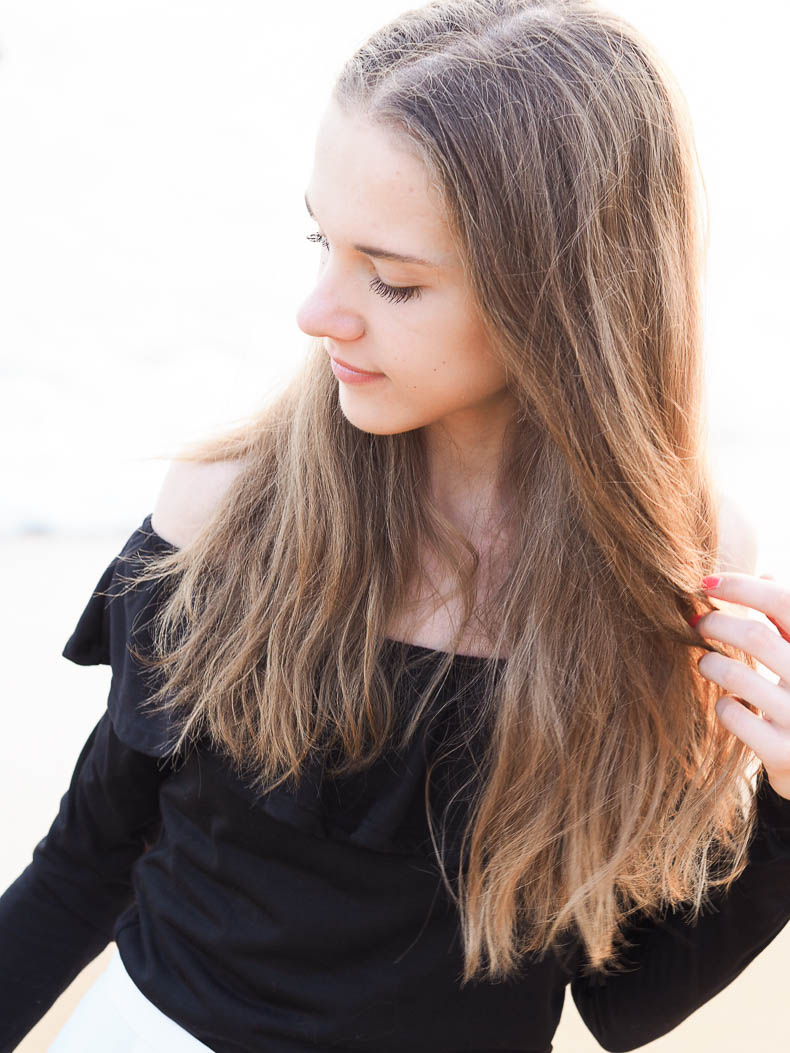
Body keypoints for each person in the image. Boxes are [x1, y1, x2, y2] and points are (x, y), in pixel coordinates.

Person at [3, 0, 790, 1050]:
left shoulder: (683, 569)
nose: (317, 310)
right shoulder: (226, 508)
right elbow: (84, 867)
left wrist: (785, 799)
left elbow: (625, 1000)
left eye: (393, 278)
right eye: (321, 240)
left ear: (561, 298)